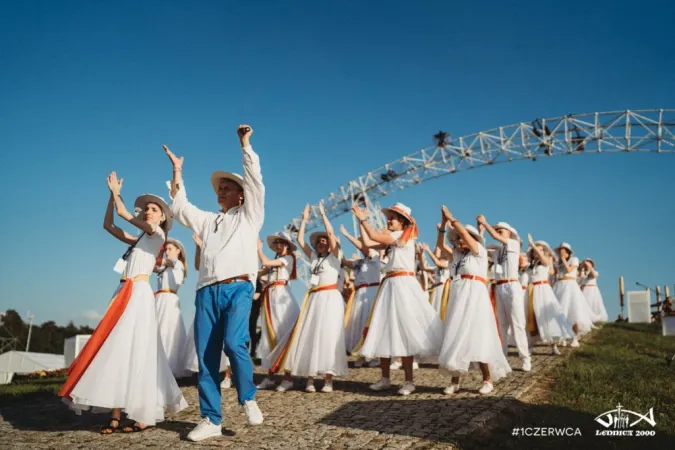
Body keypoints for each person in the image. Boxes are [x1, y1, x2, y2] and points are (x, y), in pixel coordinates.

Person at [59, 173, 187, 433]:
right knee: (118, 350)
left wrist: (118, 195)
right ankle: (116, 413)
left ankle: (143, 412)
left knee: (137, 350)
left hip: (138, 294)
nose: (149, 212)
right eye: (147, 209)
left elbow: (125, 215)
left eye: (154, 210)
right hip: (123, 291)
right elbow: (109, 224)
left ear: (162, 217)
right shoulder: (140, 239)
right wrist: (111, 196)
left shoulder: (158, 235)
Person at [163, 125, 264, 442]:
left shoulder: (250, 215)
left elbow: (255, 181)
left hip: (238, 288)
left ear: (241, 193)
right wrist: (177, 171)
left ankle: (247, 398)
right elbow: (180, 207)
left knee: (235, 344)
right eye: (219, 188)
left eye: (228, 187)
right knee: (206, 359)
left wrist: (245, 146)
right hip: (206, 291)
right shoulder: (207, 220)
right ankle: (211, 419)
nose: (221, 191)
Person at [352, 202, 443, 395]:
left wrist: (364, 219)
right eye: (390, 216)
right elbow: (368, 243)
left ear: (402, 222)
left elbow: (374, 236)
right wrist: (360, 221)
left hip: (402, 285)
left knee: (405, 331)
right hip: (389, 285)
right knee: (383, 329)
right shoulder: (394, 238)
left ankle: (409, 381)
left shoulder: (402, 238)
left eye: (393, 217)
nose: (389, 219)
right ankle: (385, 378)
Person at [268, 203, 349, 393]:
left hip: (330, 297)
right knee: (312, 335)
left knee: (329, 335)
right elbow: (299, 239)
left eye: (324, 240)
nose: (322, 242)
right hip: (314, 298)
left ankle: (328, 379)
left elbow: (330, 234)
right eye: (318, 241)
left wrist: (323, 215)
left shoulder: (336, 257)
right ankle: (310, 379)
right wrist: (304, 219)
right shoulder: (314, 258)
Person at [437, 206, 511, 396]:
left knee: (478, 335)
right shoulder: (457, 256)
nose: (461, 240)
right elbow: (439, 246)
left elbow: (465, 234)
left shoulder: (479, 251)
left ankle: (487, 379)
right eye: (459, 239)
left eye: (464, 238)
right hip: (458, 294)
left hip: (475, 294)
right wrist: (443, 226)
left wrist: (452, 218)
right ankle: (455, 381)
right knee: (456, 334)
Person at [477, 217, 531, 372]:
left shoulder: (514, 244)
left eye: (501, 230)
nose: (498, 231)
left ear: (509, 233)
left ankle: (525, 358)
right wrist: (480, 230)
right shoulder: (497, 250)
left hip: (512, 285)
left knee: (517, 323)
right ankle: (503, 358)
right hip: (499, 287)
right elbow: (480, 248)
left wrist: (486, 223)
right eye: (497, 229)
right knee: (501, 325)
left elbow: (495, 236)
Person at [182, 234, 232, 389]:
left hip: (226, 290)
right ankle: (207, 374)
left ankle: (228, 375)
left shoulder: (229, 247)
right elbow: (199, 265)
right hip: (207, 292)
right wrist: (199, 247)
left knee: (226, 335)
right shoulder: (208, 248)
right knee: (205, 334)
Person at [255, 232, 301, 391]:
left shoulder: (287, 259)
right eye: (276, 243)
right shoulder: (274, 265)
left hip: (281, 296)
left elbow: (265, 261)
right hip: (270, 297)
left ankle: (288, 378)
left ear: (287, 246)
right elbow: (260, 273)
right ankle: (270, 376)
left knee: (283, 335)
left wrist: (258, 249)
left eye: (281, 243)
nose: (278, 245)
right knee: (269, 336)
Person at [340, 224, 382, 367]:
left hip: (371, 292)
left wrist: (347, 235)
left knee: (370, 323)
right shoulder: (360, 261)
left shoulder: (375, 257)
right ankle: (362, 354)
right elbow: (344, 262)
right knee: (358, 323)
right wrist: (338, 247)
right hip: (359, 293)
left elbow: (364, 248)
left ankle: (375, 355)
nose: (362, 246)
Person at [525, 236, 575, 355]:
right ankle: (530, 345)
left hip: (544, 290)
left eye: (541, 249)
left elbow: (545, 261)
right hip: (532, 291)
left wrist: (533, 245)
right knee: (532, 317)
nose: (537, 251)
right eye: (536, 249)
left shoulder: (546, 261)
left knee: (549, 316)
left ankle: (554, 345)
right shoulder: (530, 265)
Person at [154, 238, 189, 378]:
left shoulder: (177, 264)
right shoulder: (164, 267)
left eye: (170, 249)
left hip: (169, 299)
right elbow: (153, 267)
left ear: (178, 251)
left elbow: (172, 266)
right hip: (159, 299)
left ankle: (168, 367)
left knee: (167, 331)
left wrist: (162, 260)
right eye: (166, 249)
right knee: (157, 330)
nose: (167, 252)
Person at [553, 243, 594, 345]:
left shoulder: (574, 259)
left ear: (567, 252)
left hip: (570, 286)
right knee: (560, 312)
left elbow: (568, 270)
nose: (560, 252)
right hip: (559, 285)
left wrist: (562, 260)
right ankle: (562, 335)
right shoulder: (558, 262)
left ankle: (575, 337)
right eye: (559, 251)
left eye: (562, 250)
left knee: (573, 312)